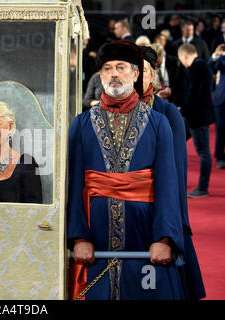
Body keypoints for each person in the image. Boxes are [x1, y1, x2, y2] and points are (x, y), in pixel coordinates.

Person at [68, 40, 189, 300]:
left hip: (146, 241)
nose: (113, 73)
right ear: (100, 75)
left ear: (136, 74)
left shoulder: (159, 123)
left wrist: (164, 238)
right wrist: (78, 237)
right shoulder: (81, 124)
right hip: (94, 243)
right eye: (107, 68)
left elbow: (168, 183)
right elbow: (74, 182)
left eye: (121, 67)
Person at [140, 46, 205, 299]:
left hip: (162, 205)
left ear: (153, 75)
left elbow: (176, 173)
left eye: (143, 71)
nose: (136, 77)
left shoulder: (167, 113)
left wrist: (173, 225)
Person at [178, 44, 215, 198]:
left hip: (197, 117)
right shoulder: (202, 66)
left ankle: (202, 187)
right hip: (195, 116)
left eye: (181, 59)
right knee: (177, 142)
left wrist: (182, 109)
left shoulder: (197, 68)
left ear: (185, 56)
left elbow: (194, 94)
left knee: (203, 152)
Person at [209, 43, 225, 169]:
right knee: (220, 128)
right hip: (222, 99)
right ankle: (220, 157)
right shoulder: (222, 58)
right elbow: (210, 69)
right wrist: (215, 55)